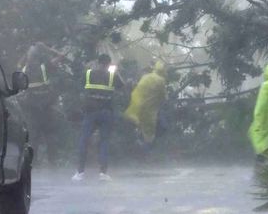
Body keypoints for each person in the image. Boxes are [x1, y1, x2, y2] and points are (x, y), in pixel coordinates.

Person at [72, 54, 124, 182]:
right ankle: (103, 173)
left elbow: (79, 86)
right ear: (108, 64)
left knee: (84, 140)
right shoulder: (112, 76)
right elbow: (123, 87)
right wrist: (117, 71)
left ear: (98, 62)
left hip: (90, 112)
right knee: (104, 141)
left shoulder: (89, 74)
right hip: (106, 112)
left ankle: (80, 172)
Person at [20, 42, 69, 165]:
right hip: (46, 107)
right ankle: (53, 161)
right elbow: (61, 58)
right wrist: (49, 49)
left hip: (31, 107)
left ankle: (33, 163)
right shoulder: (44, 66)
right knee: (49, 135)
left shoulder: (24, 68)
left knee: (33, 136)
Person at [124, 61, 168, 145]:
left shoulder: (144, 78)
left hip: (135, 107)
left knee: (139, 126)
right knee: (151, 131)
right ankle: (146, 147)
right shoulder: (160, 80)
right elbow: (164, 97)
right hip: (149, 109)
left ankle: (139, 143)